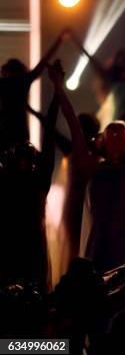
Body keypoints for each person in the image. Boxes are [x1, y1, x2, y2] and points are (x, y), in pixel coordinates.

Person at [49, 58, 125, 273]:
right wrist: (58, 88)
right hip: (99, 248)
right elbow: (74, 127)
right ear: (102, 140)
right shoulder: (93, 168)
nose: (115, 132)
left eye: (121, 130)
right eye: (111, 130)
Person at [0, 89, 59, 291]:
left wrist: (58, 95)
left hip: (25, 245)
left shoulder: (36, 179)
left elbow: (49, 138)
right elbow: (49, 138)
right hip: (14, 245)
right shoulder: (10, 179)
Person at [0, 29, 69, 149]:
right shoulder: (22, 81)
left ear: (5, 71)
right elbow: (42, 63)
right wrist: (59, 39)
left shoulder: (3, 83)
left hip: (3, 131)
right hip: (20, 132)